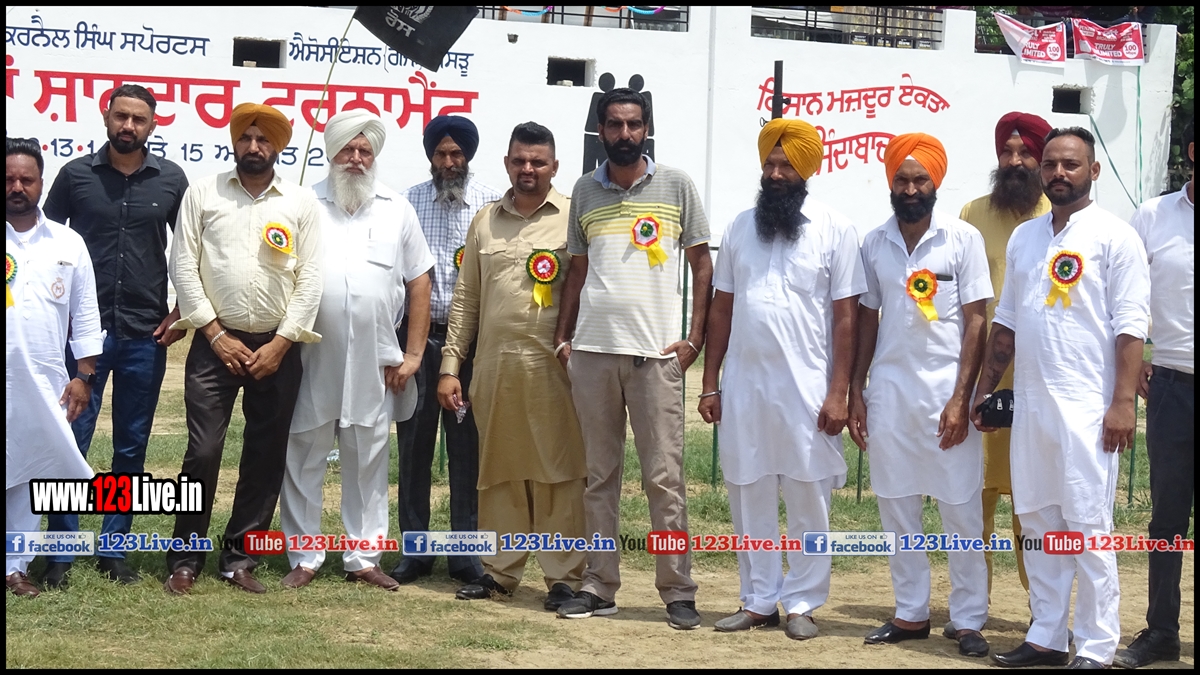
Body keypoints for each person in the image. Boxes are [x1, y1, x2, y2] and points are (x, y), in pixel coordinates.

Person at [975, 127, 1149, 669]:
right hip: (1032, 409)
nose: (1057, 173)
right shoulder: (1026, 238)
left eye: (1070, 164)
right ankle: (1047, 636)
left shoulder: (1116, 237)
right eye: (1050, 163)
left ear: (1093, 171)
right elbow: (1006, 323)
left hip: (1088, 410)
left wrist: (1123, 404)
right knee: (1038, 523)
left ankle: (1096, 645)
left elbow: (1130, 327)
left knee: (1088, 527)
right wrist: (984, 390)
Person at [553, 87, 713, 630]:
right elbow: (577, 271)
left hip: (655, 359)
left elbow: (702, 265)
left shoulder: (677, 185)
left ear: (646, 129)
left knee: (664, 481)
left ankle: (677, 590)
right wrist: (563, 339)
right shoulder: (584, 190)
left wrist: (693, 339)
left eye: (634, 124)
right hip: (593, 356)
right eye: (615, 125)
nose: (625, 134)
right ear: (600, 130)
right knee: (599, 479)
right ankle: (599, 586)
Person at [699, 119, 865, 640]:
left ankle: (802, 603)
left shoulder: (836, 229)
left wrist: (838, 392)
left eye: (786, 165)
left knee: (808, 496)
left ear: (807, 170)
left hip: (808, 389)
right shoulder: (739, 227)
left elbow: (846, 317)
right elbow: (721, 308)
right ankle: (758, 601)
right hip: (745, 386)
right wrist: (710, 381)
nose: (775, 174)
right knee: (747, 491)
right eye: (770, 164)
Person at [164, 103, 323, 595]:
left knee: (265, 452)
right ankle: (185, 557)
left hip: (278, 348)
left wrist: (282, 342)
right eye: (246, 138)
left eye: (264, 139)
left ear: (279, 147)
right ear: (234, 142)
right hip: (215, 344)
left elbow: (311, 277)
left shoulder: (299, 201)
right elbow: (183, 265)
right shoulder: (203, 192)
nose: (254, 146)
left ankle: (239, 558)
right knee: (203, 451)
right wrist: (214, 334)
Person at [40, 84, 190, 588]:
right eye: (121, 116)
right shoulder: (75, 176)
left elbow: (191, 249)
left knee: (131, 445)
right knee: (71, 440)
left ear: (153, 125)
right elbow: (44, 244)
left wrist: (180, 310)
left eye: (138, 119)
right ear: (106, 117)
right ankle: (61, 551)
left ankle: (113, 549)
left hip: (145, 334)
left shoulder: (171, 179)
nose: (128, 126)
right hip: (81, 336)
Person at [278, 110, 433, 592]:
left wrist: (413, 355)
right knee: (304, 453)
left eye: (365, 150)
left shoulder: (396, 208)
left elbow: (420, 281)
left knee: (369, 457)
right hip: (311, 356)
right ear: (331, 152)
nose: (356, 158)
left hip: (375, 358)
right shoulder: (303, 203)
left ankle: (363, 558)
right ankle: (304, 557)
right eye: (347, 148)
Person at [849, 133, 992, 658]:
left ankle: (968, 619)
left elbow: (976, 320)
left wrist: (962, 397)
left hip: (947, 398)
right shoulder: (874, 242)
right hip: (890, 395)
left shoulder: (962, 239)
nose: (910, 189)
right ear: (891, 183)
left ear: (936, 183)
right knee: (897, 508)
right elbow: (867, 319)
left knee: (960, 510)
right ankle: (910, 613)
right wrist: (856, 389)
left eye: (920, 180)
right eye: (902, 179)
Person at [440, 122, 588, 610]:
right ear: (506, 163)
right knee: (499, 472)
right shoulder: (485, 221)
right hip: (495, 368)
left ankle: (564, 577)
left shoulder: (573, 217)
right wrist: (450, 366)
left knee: (559, 471)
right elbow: (466, 300)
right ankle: (500, 573)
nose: (528, 169)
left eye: (538, 162)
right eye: (520, 160)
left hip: (556, 370)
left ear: (554, 166)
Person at [390, 115, 502, 587]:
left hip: (470, 348)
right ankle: (415, 551)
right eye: (441, 154)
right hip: (416, 344)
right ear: (430, 157)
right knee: (413, 447)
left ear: (469, 156)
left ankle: (465, 554)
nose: (449, 162)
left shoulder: (492, 204)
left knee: (467, 449)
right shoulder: (408, 203)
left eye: (457, 154)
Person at [953, 111, 1052, 629]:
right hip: (981, 378)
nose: (1015, 161)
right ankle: (972, 608)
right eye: (1007, 152)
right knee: (976, 497)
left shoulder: (1058, 215)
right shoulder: (972, 213)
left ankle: (1044, 610)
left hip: (1037, 383)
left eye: (1025, 152)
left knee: (1033, 502)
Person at [5, 138, 102, 597]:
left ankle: (15, 567)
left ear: (42, 183)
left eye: (26, 179)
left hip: (43, 380)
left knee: (28, 471)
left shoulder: (67, 242)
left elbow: (85, 313)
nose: (17, 187)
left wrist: (83, 376)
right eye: (9, 179)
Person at [1113, 121, 1193, 670]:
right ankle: (1162, 631)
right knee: (1167, 519)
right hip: (1172, 386)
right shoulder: (1153, 215)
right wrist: (1137, 353)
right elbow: (1128, 292)